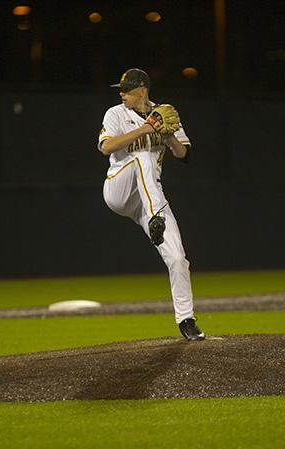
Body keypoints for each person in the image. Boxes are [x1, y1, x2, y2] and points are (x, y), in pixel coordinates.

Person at [98, 68, 205, 340]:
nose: (121, 94)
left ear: (142, 90)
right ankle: (156, 215)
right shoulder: (116, 114)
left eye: (126, 90)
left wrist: (167, 134)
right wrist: (146, 129)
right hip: (119, 189)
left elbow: (184, 154)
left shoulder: (165, 112)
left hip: (150, 196)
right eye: (120, 90)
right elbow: (106, 147)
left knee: (178, 258)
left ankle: (186, 319)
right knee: (141, 157)